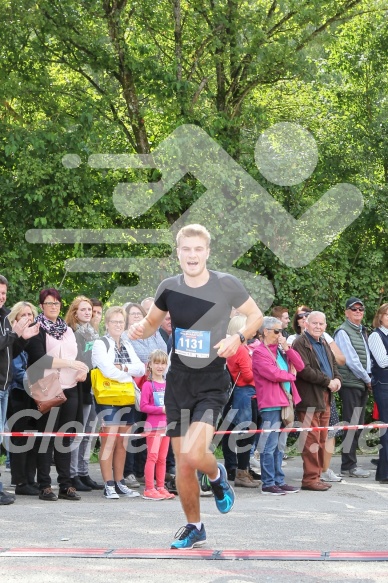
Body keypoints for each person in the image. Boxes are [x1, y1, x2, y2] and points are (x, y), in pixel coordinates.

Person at [128, 223, 263, 549]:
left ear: (207, 252)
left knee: (193, 451)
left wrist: (239, 337)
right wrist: (139, 330)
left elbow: (255, 315)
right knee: (184, 462)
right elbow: (151, 324)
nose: (192, 254)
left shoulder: (226, 284)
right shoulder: (169, 287)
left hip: (211, 382)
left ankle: (216, 476)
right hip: (178, 383)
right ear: (178, 253)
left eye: (197, 249)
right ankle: (195, 526)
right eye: (186, 249)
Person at [25, 288, 89, 501]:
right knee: (46, 438)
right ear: (41, 306)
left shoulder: (68, 330)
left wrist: (83, 370)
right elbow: (38, 359)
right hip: (49, 388)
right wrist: (70, 363)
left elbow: (80, 356)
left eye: (57, 303)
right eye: (49, 303)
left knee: (64, 438)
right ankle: (44, 485)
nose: (54, 306)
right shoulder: (36, 328)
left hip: (71, 387)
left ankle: (66, 484)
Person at [91, 306, 145, 499]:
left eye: (121, 322)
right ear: (107, 324)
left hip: (126, 397)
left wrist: (122, 367)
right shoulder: (100, 344)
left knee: (123, 442)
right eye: (114, 321)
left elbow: (140, 368)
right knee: (109, 441)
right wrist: (127, 373)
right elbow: (107, 371)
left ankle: (120, 481)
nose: (118, 325)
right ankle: (108, 483)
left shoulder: (127, 344)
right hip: (107, 399)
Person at [252, 316, 304, 495]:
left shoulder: (280, 351)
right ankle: (268, 483)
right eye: (276, 331)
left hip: (285, 401)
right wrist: (291, 375)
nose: (280, 334)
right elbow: (272, 373)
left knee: (280, 445)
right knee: (269, 445)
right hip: (270, 403)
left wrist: (288, 348)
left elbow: (300, 365)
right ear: (265, 332)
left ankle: (279, 480)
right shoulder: (259, 352)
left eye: (281, 331)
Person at [0, 275, 39, 505]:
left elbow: (9, 352)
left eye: (4, 293)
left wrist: (23, 340)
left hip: (4, 386)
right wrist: (15, 334)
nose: (2, 297)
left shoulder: (5, 316)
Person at [293, 311, 342, 491]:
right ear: (306, 323)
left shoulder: (323, 342)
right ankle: (310, 479)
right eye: (315, 323)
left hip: (326, 396)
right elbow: (304, 370)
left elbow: (334, 365)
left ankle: (317, 476)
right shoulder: (300, 343)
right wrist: (327, 381)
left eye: (321, 324)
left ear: (326, 326)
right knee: (311, 440)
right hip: (309, 397)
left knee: (321, 438)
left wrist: (337, 379)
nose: (318, 327)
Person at [64, 296, 103, 491]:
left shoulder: (94, 334)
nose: (88, 312)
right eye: (83, 309)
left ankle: (83, 472)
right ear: (75, 312)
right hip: (78, 388)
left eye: (90, 309)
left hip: (94, 387)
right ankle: (72, 475)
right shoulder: (71, 333)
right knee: (77, 434)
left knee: (89, 434)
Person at [334, 297, 371, 478]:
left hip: (360, 383)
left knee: (357, 425)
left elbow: (367, 358)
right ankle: (348, 465)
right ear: (346, 312)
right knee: (351, 424)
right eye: (354, 309)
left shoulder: (361, 331)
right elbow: (351, 360)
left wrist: (367, 377)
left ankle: (350, 464)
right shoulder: (343, 331)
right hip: (351, 383)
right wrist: (367, 378)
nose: (358, 312)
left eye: (360, 309)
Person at [222, 315, 260, 488]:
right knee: (247, 433)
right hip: (246, 393)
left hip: (239, 392)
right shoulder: (241, 349)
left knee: (232, 431)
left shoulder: (232, 347)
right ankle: (241, 472)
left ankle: (235, 469)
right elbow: (248, 375)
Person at [7, 301, 39, 496]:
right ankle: (20, 481)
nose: (28, 318)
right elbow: (17, 371)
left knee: (32, 437)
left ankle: (29, 478)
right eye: (24, 315)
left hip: (32, 394)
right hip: (18, 393)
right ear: (16, 318)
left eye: (31, 315)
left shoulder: (33, 337)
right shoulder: (13, 338)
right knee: (19, 439)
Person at [140, 349, 174, 500]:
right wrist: (161, 409)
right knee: (152, 457)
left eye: (163, 363)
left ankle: (160, 486)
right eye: (157, 363)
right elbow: (143, 406)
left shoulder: (168, 384)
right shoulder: (148, 385)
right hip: (153, 427)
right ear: (150, 365)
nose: (160, 366)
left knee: (162, 458)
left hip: (166, 427)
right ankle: (149, 488)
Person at [368, 303, 388, 484]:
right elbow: (382, 361)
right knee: (386, 430)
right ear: (380, 317)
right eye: (387, 314)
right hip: (383, 386)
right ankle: (384, 473)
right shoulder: (376, 335)